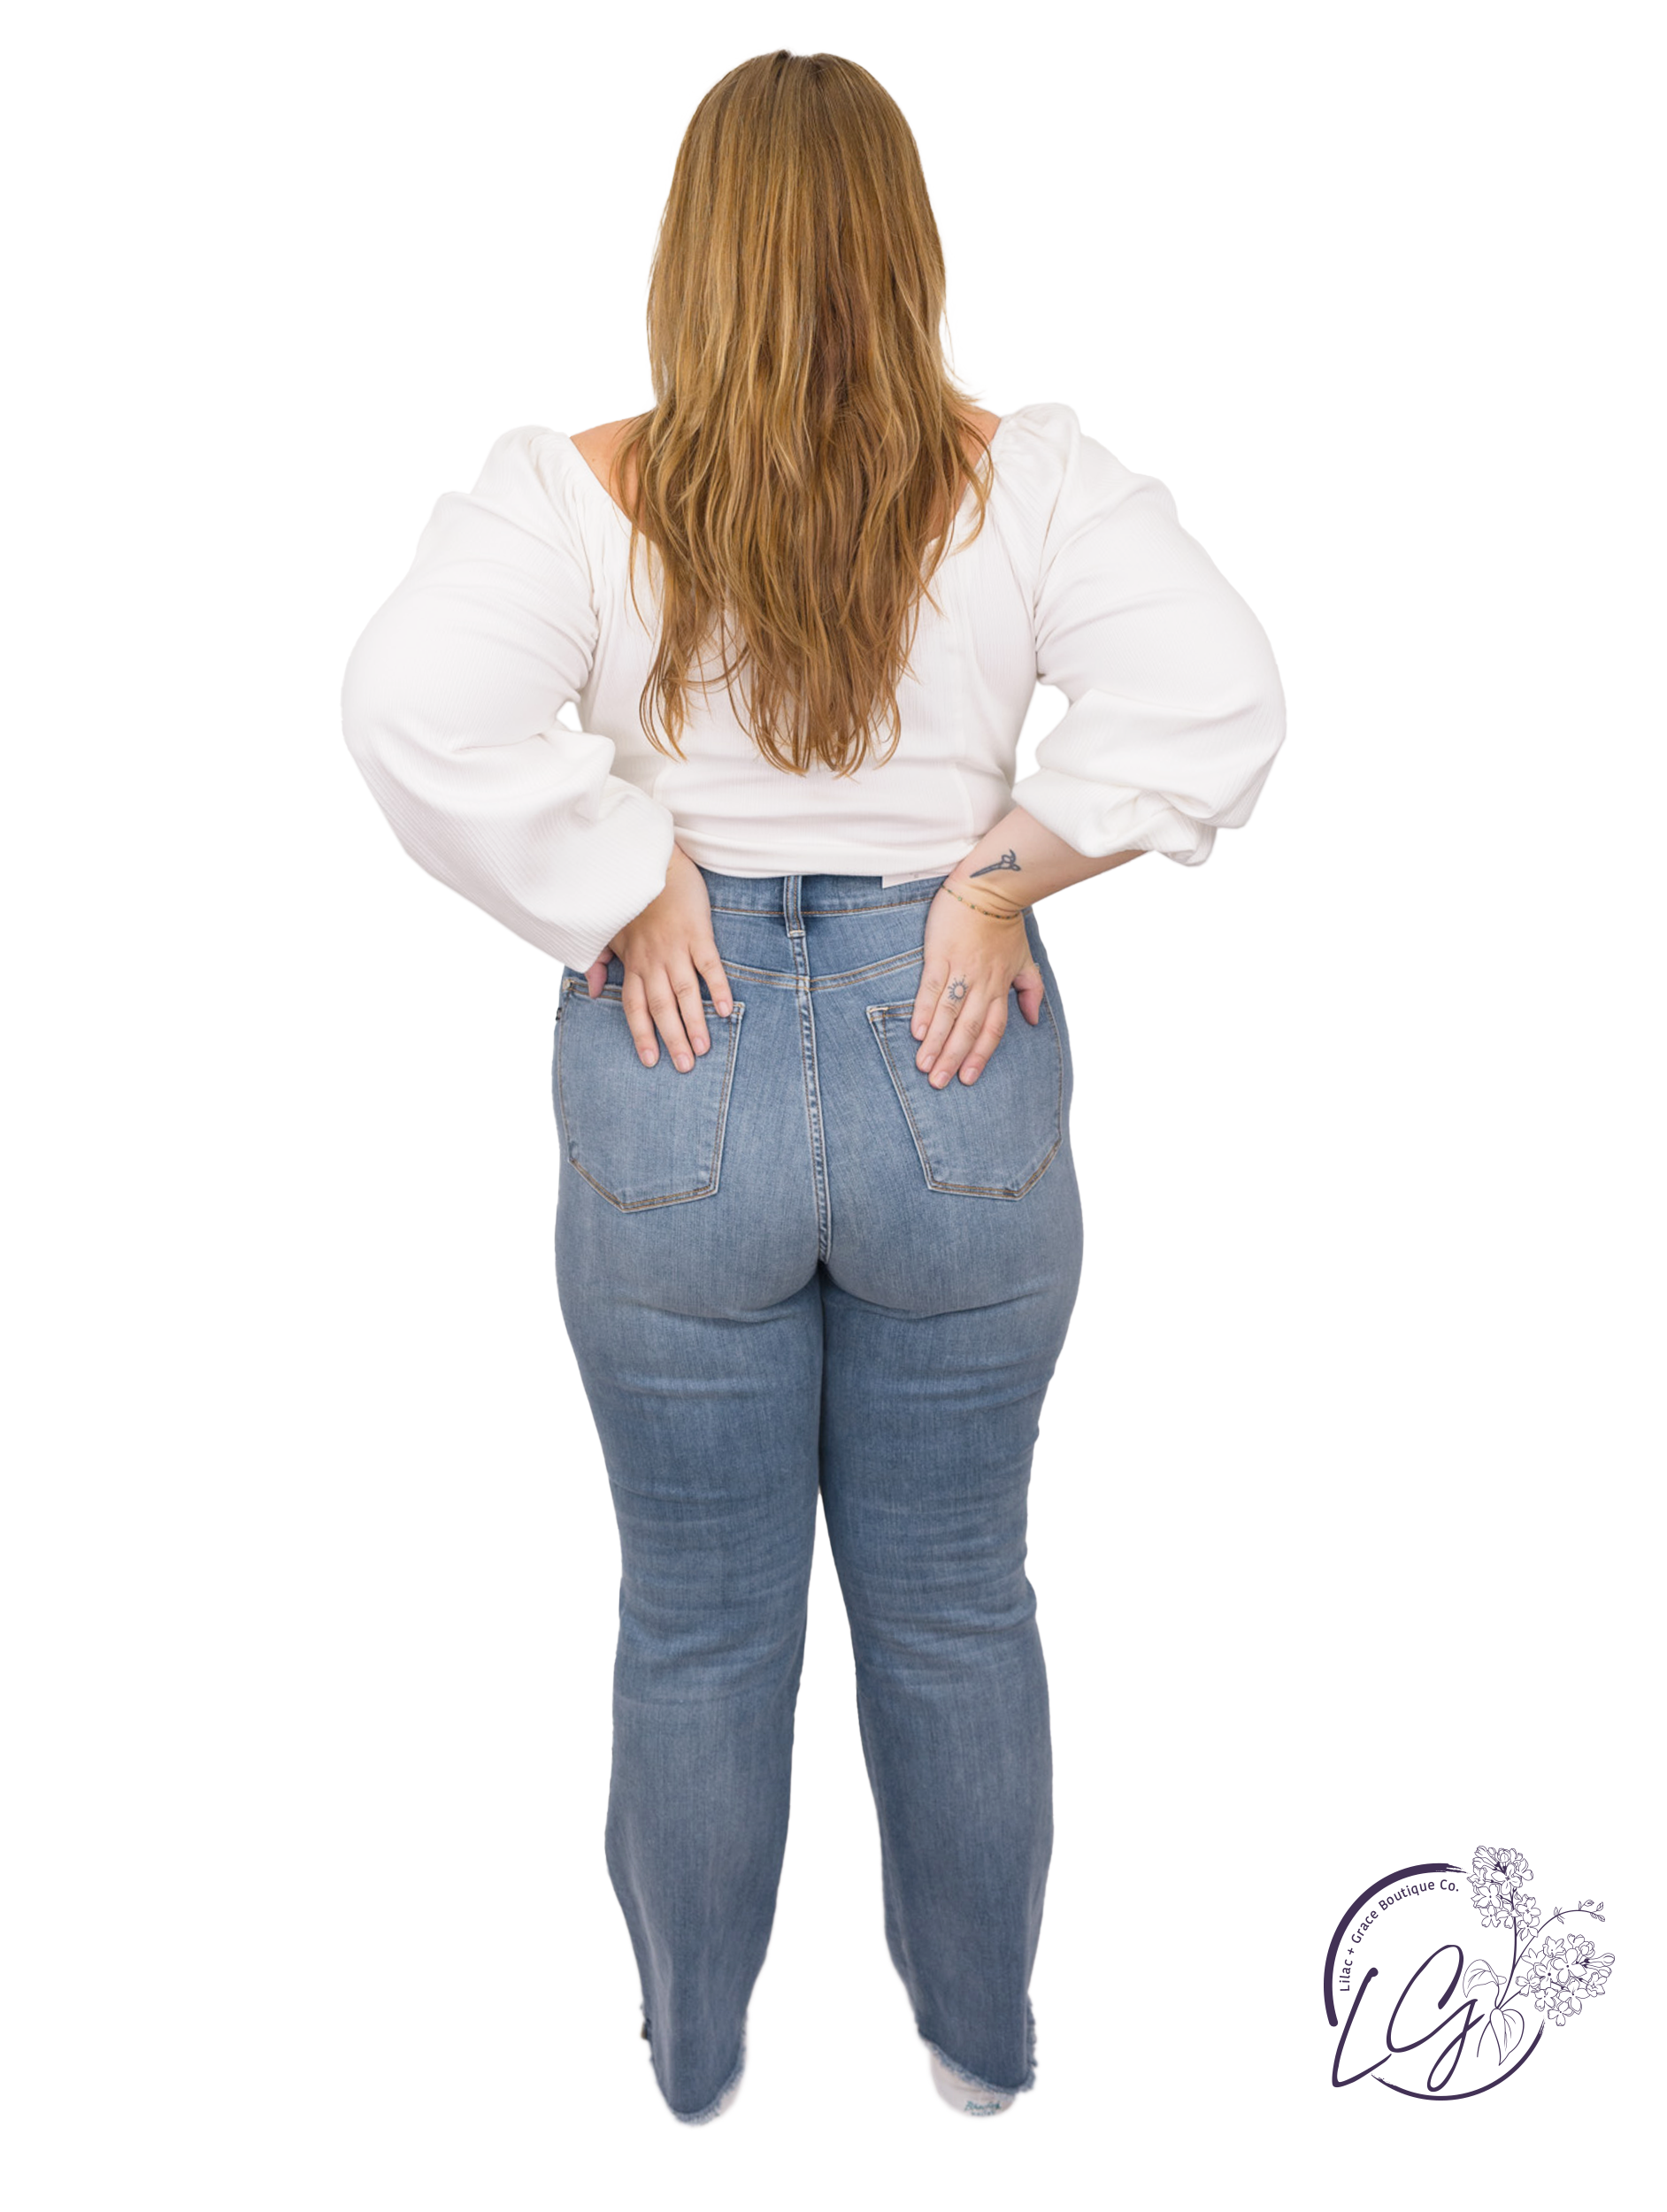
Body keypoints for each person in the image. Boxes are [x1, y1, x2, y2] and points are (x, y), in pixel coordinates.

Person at [341, 49, 1286, 2126]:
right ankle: (981, 2053)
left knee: (696, 1621)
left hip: (676, 1073)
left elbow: (406, 702)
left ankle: (691, 2058)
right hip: (954, 1060)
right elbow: (1222, 690)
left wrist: (628, 868)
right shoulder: (1025, 483)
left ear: (693, 251)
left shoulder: (577, 494)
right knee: (956, 1603)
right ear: (907, 242)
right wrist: (999, 880)